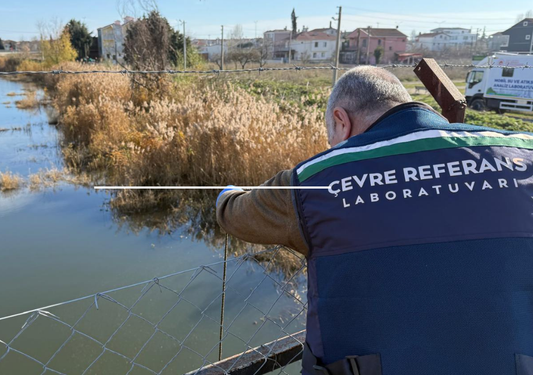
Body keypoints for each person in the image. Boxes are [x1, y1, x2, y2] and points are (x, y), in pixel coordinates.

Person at [216, 66, 533, 375]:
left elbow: (234, 213)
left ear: (341, 121)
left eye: (331, 137)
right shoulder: (524, 153)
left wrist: (227, 192)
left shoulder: (313, 183)